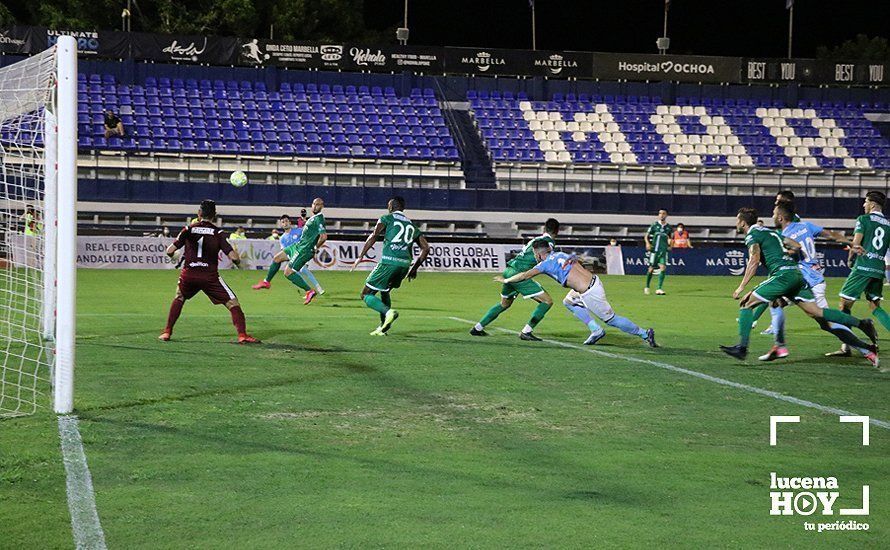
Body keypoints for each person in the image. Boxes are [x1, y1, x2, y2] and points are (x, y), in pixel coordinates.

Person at [719, 207, 877, 360]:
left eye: (737, 221)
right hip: (798, 275)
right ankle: (861, 324)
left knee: (746, 303)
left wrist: (741, 286)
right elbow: (796, 245)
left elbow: (754, 259)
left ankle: (743, 348)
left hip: (789, 275)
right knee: (799, 308)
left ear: (742, 223)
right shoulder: (776, 231)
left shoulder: (753, 235)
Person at [765, 203, 876, 366]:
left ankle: (866, 342)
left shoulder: (784, 235)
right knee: (778, 303)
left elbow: (793, 252)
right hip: (814, 277)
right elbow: (831, 234)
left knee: (828, 323)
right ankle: (779, 346)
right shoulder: (806, 226)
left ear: (781, 217)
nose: (773, 217)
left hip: (805, 280)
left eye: (774, 214)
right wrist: (851, 243)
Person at [494, 241, 657, 347]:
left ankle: (644, 333)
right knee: (568, 301)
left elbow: (524, 275)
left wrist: (506, 281)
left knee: (611, 319)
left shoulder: (544, 264)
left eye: (535, 255)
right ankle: (595, 330)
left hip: (589, 292)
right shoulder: (561, 254)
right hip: (594, 282)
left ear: (538, 254)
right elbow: (576, 260)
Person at [159, 200, 259, 344]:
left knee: (179, 297)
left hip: (189, 274)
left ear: (199, 213)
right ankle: (242, 335)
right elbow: (234, 257)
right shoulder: (218, 233)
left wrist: (174, 257)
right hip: (209, 277)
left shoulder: (188, 229)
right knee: (232, 302)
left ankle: (167, 332)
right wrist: (239, 262)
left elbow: (170, 251)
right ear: (215, 215)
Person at [470, 218, 560, 341]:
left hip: (509, 270)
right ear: (557, 231)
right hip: (520, 274)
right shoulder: (549, 243)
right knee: (547, 301)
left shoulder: (535, 240)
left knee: (504, 304)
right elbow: (545, 262)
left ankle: (477, 328)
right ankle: (526, 332)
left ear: (544, 228)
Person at [829, 191, 890, 371]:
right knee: (875, 306)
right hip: (878, 268)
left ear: (872, 204)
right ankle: (848, 344)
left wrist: (850, 258)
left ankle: (846, 346)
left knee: (844, 305)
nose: (864, 204)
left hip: (863, 267)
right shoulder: (888, 224)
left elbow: (856, 244)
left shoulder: (863, 219)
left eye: (865, 201)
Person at [352, 196, 431, 335]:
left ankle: (389, 312)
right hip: (404, 265)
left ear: (391, 207)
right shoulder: (412, 225)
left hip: (389, 262)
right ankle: (383, 328)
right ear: (403, 208)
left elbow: (373, 236)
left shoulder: (387, 218)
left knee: (365, 294)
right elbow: (426, 248)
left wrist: (361, 256)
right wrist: (414, 269)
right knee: (385, 291)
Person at [252, 214, 324, 295]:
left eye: (286, 221)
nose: (285, 223)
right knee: (278, 260)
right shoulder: (282, 238)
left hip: (301, 254)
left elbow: (307, 234)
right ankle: (266, 282)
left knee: (304, 271)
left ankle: (318, 288)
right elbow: (284, 250)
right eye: (283, 222)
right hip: (293, 256)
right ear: (281, 225)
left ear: (290, 222)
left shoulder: (299, 231)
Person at [644, 209, 672, 295]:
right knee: (651, 269)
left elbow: (670, 238)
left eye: (663, 213)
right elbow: (646, 236)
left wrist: (670, 245)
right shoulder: (654, 225)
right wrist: (648, 243)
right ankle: (647, 286)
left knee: (663, 268)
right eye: (660, 213)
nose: (661, 215)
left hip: (663, 251)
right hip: (654, 251)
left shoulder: (668, 227)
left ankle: (659, 288)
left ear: (666, 215)